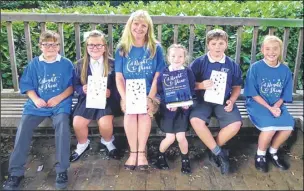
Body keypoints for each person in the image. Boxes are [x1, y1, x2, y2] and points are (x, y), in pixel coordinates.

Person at [3, 30, 74, 190]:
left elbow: (71, 87)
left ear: (59, 46)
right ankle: (16, 173)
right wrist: (36, 99)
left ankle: (62, 170)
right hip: (37, 104)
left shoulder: (66, 64)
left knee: (63, 125)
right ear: (40, 46)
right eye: (46, 44)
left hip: (60, 103)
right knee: (24, 127)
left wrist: (58, 98)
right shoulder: (34, 64)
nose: (50, 47)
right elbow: (28, 86)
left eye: (54, 44)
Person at [115, 10, 165, 170]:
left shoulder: (155, 48)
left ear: (148, 28)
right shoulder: (122, 48)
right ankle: (133, 153)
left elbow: (158, 75)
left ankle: (142, 152)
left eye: (144, 25)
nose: (139, 28)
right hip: (129, 93)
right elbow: (119, 78)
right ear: (130, 25)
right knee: (130, 114)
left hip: (151, 92)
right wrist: (125, 98)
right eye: (136, 24)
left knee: (144, 114)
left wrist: (150, 97)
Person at [189, 29, 243, 175]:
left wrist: (232, 100)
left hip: (223, 100)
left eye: (221, 43)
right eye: (213, 43)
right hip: (202, 100)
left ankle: (213, 149)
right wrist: (200, 85)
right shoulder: (199, 62)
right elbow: (187, 84)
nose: (217, 47)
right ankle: (220, 154)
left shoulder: (232, 65)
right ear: (208, 45)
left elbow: (237, 86)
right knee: (195, 121)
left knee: (235, 124)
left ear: (226, 45)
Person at [244, 35, 294, 173]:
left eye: (275, 49)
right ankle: (260, 154)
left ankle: (273, 151)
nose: (271, 52)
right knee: (270, 128)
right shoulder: (255, 68)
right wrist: (269, 108)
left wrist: (276, 106)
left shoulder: (285, 70)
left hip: (276, 104)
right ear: (262, 50)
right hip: (257, 103)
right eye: (267, 49)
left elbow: (285, 94)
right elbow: (252, 93)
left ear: (280, 50)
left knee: (288, 127)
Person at [69, 30, 121, 162]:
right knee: (78, 123)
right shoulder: (80, 64)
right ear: (86, 48)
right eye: (91, 45)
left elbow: (119, 83)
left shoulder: (113, 64)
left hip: (107, 100)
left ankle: (108, 142)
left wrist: (111, 92)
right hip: (87, 99)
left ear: (104, 47)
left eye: (99, 45)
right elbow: (75, 84)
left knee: (105, 123)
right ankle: (82, 144)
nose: (95, 48)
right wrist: (82, 89)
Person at [154, 44, 195, 174]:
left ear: (185, 58)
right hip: (168, 112)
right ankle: (160, 156)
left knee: (181, 137)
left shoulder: (187, 72)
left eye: (180, 56)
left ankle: (185, 160)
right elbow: (160, 92)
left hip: (182, 111)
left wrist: (187, 103)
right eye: (173, 56)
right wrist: (167, 104)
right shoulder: (164, 73)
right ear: (168, 57)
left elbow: (191, 89)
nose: (176, 59)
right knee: (170, 138)